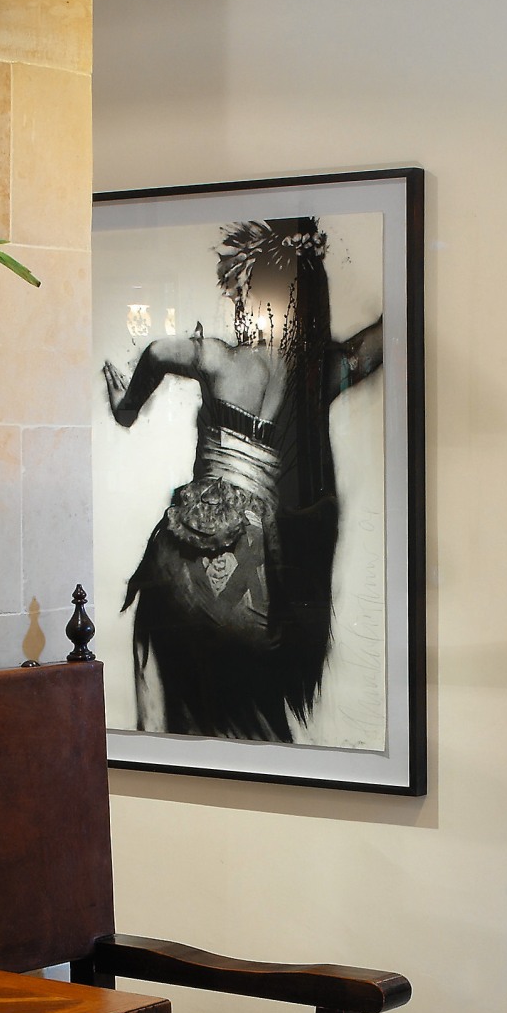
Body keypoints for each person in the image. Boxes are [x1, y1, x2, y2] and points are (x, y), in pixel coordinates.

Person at [103, 216, 382, 742]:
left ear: (252, 295)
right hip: (256, 570)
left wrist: (125, 407)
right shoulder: (316, 374)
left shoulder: (219, 359)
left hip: (179, 556)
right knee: (249, 714)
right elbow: (370, 349)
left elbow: (159, 352)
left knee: (181, 713)